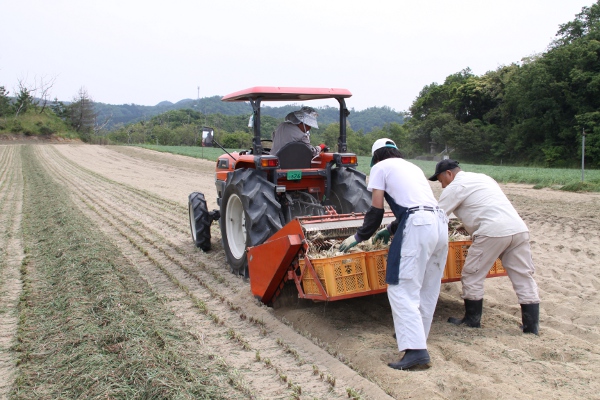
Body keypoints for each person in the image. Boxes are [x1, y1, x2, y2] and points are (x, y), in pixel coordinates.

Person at [339, 138, 448, 370]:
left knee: (401, 288)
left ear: (375, 156)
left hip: (417, 225)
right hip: (439, 223)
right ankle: (418, 339)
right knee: (428, 287)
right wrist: (390, 230)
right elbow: (417, 204)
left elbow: (376, 209)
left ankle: (416, 352)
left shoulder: (379, 167)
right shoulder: (413, 167)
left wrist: (359, 236)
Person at [429, 159, 540, 334]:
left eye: (441, 180)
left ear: (449, 174)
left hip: (492, 232)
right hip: (518, 229)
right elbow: (485, 204)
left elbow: (436, 215)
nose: (442, 186)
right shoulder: (483, 178)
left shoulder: (455, 186)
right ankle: (531, 326)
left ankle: (472, 321)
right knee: (523, 276)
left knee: (472, 274)